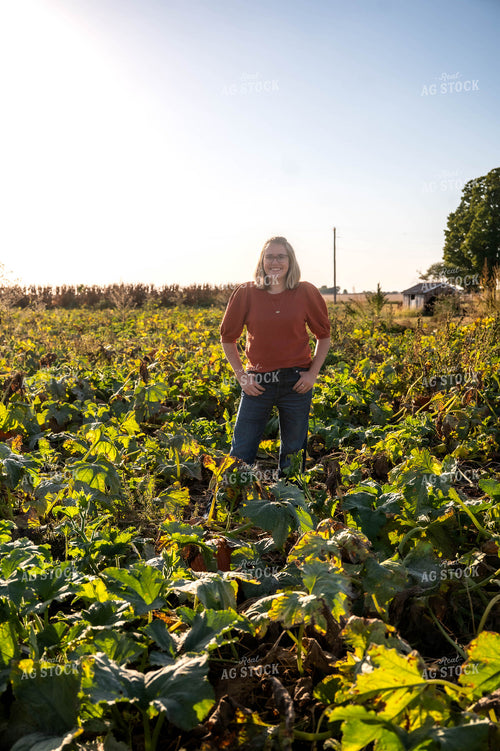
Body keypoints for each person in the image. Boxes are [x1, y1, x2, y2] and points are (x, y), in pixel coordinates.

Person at [220, 236, 331, 474]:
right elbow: (228, 338)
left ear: (290, 261)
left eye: (281, 256)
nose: (275, 262)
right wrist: (242, 377)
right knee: (241, 449)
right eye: (269, 256)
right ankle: (231, 506)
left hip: (296, 382)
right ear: (262, 261)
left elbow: (324, 336)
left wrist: (312, 374)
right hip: (257, 382)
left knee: (293, 451)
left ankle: (289, 503)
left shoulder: (306, 292)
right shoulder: (246, 293)